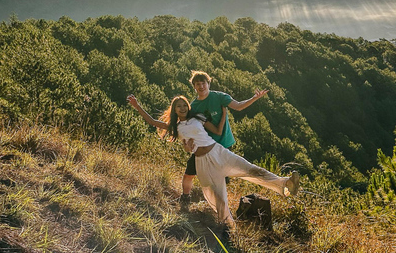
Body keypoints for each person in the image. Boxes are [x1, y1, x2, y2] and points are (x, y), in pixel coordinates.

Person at [127, 94, 300, 234]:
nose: (182, 108)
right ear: (174, 109)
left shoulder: (198, 118)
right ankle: (227, 227)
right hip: (202, 163)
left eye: (184, 105)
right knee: (219, 196)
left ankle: (285, 183)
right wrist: (136, 106)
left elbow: (217, 131)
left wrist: (224, 115)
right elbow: (152, 122)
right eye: (178, 106)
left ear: (188, 107)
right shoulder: (175, 126)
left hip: (218, 152)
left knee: (251, 169)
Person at [182, 70, 269, 209]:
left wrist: (254, 98)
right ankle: (185, 198)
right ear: (194, 86)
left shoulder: (220, 97)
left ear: (208, 83)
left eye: (203, 83)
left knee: (220, 178)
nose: (201, 86)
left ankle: (219, 206)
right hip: (205, 145)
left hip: (223, 143)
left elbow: (239, 106)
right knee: (190, 172)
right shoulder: (195, 107)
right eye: (197, 84)